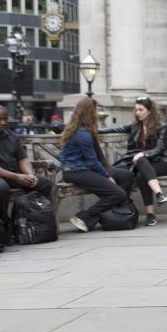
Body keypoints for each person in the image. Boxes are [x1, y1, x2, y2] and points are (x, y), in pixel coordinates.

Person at [60, 98, 136, 232]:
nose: (97, 113)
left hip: (84, 169)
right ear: (89, 113)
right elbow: (92, 162)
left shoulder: (83, 130)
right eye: (96, 110)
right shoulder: (83, 134)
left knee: (127, 176)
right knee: (118, 194)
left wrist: (108, 172)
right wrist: (107, 176)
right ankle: (84, 217)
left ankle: (115, 213)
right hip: (76, 172)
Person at [101, 96, 167, 227]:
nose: (137, 113)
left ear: (149, 111)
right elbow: (115, 129)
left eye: (141, 109)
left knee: (141, 161)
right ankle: (157, 200)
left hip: (161, 163)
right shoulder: (135, 126)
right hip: (142, 165)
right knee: (140, 174)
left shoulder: (161, 127)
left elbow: (160, 149)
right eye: (136, 110)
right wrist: (95, 130)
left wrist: (143, 154)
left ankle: (155, 205)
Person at [0, 104, 54, 220]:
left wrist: (29, 174)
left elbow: (22, 158)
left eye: (5, 119)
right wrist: (17, 176)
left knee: (44, 183)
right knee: (0, 188)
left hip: (15, 175)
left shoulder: (12, 136)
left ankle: (39, 220)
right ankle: (4, 221)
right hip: (1, 177)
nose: (3, 123)